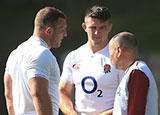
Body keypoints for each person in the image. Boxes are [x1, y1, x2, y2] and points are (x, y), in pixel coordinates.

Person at [59, 5, 123, 115]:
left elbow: (128, 97)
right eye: (93, 28)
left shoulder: (119, 56)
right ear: (84, 27)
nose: (97, 33)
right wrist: (71, 113)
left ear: (109, 27)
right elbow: (62, 92)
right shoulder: (73, 57)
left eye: (102, 27)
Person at [3, 6, 67, 115]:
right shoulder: (42, 53)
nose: (65, 34)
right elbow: (38, 94)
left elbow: (9, 97)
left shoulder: (14, 54)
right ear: (49, 31)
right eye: (62, 30)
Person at [109, 32, 158, 115]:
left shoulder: (137, 72)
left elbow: (136, 111)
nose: (110, 57)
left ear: (118, 51)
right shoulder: (133, 71)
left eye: (110, 51)